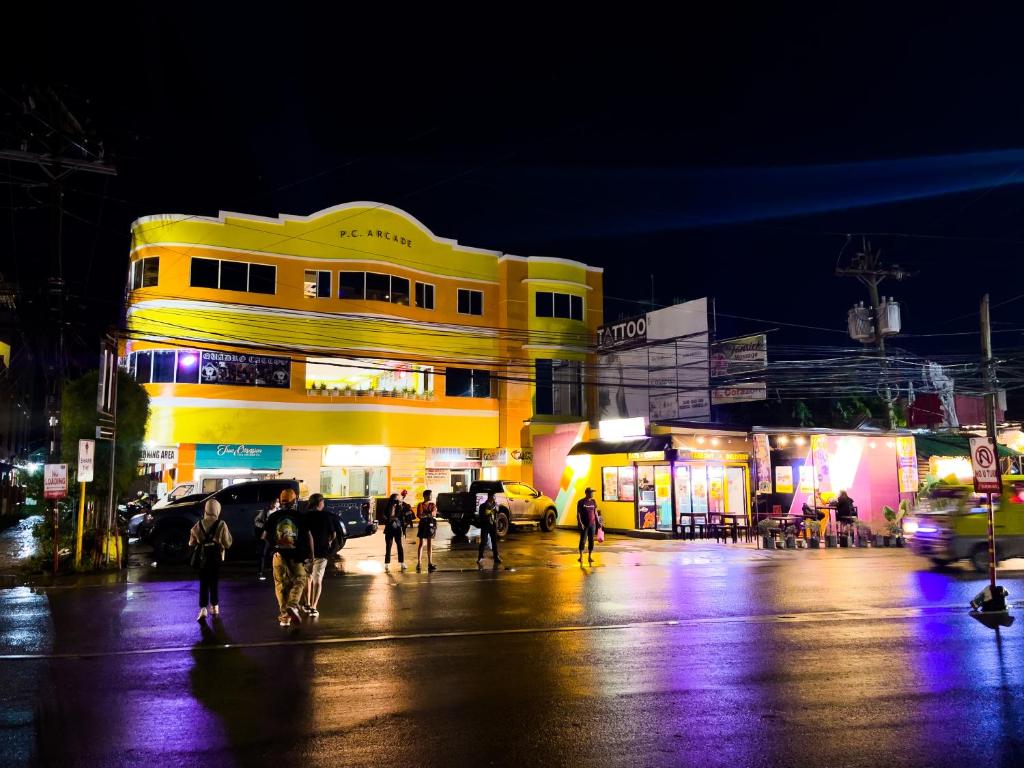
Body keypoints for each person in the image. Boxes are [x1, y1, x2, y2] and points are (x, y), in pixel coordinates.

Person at [263, 488, 314, 626]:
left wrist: (273, 549)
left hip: (278, 555)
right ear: (294, 501)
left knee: (280, 585)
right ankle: (292, 604)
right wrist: (311, 556)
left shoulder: (273, 517)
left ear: (280, 501)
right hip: (297, 556)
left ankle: (285, 617)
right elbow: (308, 537)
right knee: (300, 579)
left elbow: (264, 537)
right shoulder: (300, 516)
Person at [189, 498, 233, 621]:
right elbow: (228, 542)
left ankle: (203, 609)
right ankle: (214, 607)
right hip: (216, 558)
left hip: (202, 559)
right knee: (214, 582)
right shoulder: (221, 524)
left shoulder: (199, 524)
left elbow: (191, 542)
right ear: (217, 509)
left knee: (203, 583)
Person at [303, 493, 335, 617]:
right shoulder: (326, 516)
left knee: (308, 578)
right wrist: (328, 542)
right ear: (319, 503)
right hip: (321, 552)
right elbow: (333, 535)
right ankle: (313, 607)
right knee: (318, 580)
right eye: (322, 502)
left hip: (307, 553)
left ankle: (306, 604)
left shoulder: (305, 517)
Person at [254, 498, 279, 581]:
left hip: (276, 536)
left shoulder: (279, 511)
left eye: (277, 502)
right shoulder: (265, 511)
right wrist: (263, 526)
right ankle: (260, 572)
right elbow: (256, 521)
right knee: (263, 554)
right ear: (271, 503)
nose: (276, 504)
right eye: (275, 502)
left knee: (275, 554)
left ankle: (274, 571)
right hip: (266, 536)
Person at [382, 493, 406, 571]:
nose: (396, 501)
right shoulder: (387, 506)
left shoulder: (400, 506)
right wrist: (388, 520)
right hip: (389, 527)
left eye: (397, 499)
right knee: (388, 546)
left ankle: (402, 562)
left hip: (397, 528)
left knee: (399, 545)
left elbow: (402, 519)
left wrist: (404, 530)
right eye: (394, 499)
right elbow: (383, 516)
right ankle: (387, 564)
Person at [477, 490, 502, 566]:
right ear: (490, 497)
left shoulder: (495, 505)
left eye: (495, 497)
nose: (494, 498)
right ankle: (480, 557)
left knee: (494, 541)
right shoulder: (483, 506)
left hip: (493, 524)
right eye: (493, 496)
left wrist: (495, 507)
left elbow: (497, 511)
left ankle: (496, 556)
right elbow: (485, 515)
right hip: (485, 525)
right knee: (484, 541)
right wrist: (490, 508)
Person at [576, 487, 600, 564]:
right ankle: (581, 557)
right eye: (591, 492)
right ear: (586, 493)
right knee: (583, 540)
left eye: (592, 492)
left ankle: (590, 557)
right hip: (584, 524)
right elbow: (578, 513)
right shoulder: (581, 502)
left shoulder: (593, 501)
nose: (592, 494)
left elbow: (595, 512)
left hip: (592, 524)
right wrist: (580, 523)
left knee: (591, 541)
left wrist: (598, 522)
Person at [416, 490, 438, 572]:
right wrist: (427, 514)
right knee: (421, 543)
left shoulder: (432, 504)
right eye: (428, 495)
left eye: (431, 495)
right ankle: (419, 563)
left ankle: (430, 563)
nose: (430, 497)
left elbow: (434, 513)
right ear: (424, 496)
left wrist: (426, 514)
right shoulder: (420, 504)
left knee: (429, 544)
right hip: (423, 525)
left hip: (430, 525)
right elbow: (419, 515)